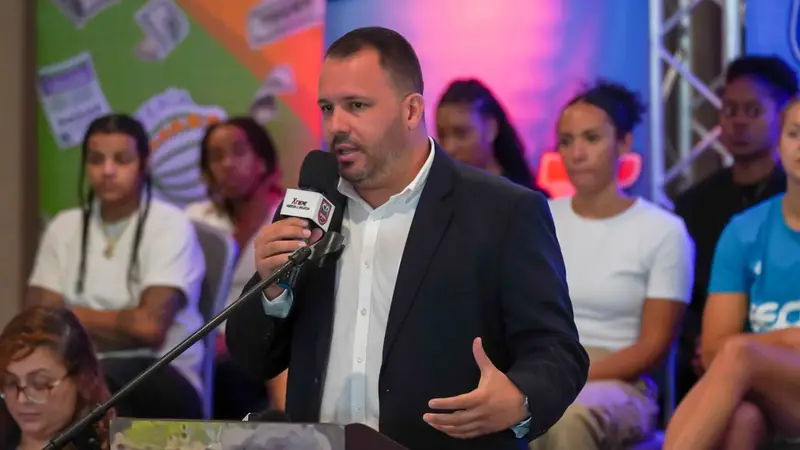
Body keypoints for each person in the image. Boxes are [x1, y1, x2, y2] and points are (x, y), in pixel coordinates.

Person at [225, 26, 588, 450]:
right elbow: (252, 358)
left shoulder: (503, 212)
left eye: (356, 106)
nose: (336, 125)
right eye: (327, 108)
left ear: (412, 111)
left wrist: (520, 399)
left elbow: (557, 350)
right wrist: (270, 289)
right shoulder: (313, 207)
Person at [528, 81, 694, 450]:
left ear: (624, 143)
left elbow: (654, 348)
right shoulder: (538, 218)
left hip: (621, 383)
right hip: (544, 368)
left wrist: (566, 377)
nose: (577, 153)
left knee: (566, 416)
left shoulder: (663, 231)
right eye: (566, 141)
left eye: (591, 138)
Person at [27, 113, 207, 419]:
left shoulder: (170, 225)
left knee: (95, 385)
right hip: (76, 366)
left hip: (162, 371)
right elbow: (39, 324)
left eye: (122, 160)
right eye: (96, 160)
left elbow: (150, 328)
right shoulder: (64, 226)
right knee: (22, 380)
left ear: (144, 163)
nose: (107, 171)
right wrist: (124, 322)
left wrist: (70, 316)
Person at [663, 97, 800, 450]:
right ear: (779, 144)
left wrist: (751, 346)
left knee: (740, 353)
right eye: (794, 133)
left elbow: (731, 348)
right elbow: (711, 350)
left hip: (764, 371)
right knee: (742, 419)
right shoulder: (745, 230)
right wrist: (785, 339)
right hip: (771, 388)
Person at [186, 116, 287, 418]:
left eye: (238, 151)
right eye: (216, 156)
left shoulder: (288, 218)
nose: (227, 163)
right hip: (201, 350)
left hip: (266, 346)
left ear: (264, 160)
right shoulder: (194, 221)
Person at [0, 306, 113, 450]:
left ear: (81, 380)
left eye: (40, 384)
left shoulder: (118, 443)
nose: (21, 400)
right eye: (11, 383)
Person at [435, 78, 547, 194]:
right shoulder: (435, 201)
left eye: (461, 133)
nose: (448, 148)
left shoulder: (530, 201)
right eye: (442, 136)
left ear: (491, 129)